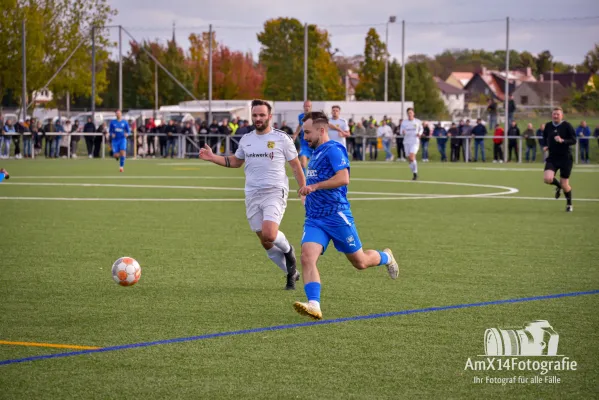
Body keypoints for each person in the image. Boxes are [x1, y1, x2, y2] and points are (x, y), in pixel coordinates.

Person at [293, 111, 399, 320]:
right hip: (315, 217)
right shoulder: (316, 152)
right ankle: (314, 304)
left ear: (321, 130)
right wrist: (307, 194)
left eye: (307, 132)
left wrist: (314, 186)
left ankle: (386, 257)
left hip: (336, 215)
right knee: (306, 257)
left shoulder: (334, 149)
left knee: (360, 262)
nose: (304, 137)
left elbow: (344, 178)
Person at [199, 99, 306, 290]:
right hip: (252, 194)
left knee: (270, 233)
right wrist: (213, 157)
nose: (258, 118)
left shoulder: (282, 138)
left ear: (270, 116)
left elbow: (296, 166)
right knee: (266, 243)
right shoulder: (246, 139)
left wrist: (303, 189)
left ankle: (289, 250)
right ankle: (291, 272)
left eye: (262, 115)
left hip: (275, 191)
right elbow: (236, 161)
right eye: (255, 115)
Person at [543, 107, 577, 212]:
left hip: (565, 158)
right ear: (552, 115)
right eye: (554, 114)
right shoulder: (548, 125)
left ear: (562, 116)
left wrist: (563, 140)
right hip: (553, 157)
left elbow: (573, 140)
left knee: (565, 184)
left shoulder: (567, 125)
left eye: (558, 114)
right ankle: (558, 187)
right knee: (547, 179)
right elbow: (544, 137)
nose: (556, 116)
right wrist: (546, 145)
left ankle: (569, 204)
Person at [399, 108, 423, 180]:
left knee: (412, 157)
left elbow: (421, 129)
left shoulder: (417, 121)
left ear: (413, 113)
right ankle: (414, 173)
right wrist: (402, 132)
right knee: (409, 159)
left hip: (415, 142)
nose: (409, 114)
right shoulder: (404, 122)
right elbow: (400, 131)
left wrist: (419, 133)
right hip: (406, 142)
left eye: (411, 113)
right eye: (408, 113)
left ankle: (415, 174)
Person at [292, 100, 313, 175]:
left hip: (314, 144)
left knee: (317, 166)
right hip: (304, 144)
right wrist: (295, 134)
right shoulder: (301, 116)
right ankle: (305, 183)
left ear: (311, 107)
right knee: (303, 164)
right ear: (303, 107)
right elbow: (300, 125)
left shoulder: (315, 117)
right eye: (305, 106)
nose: (307, 108)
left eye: (308, 106)